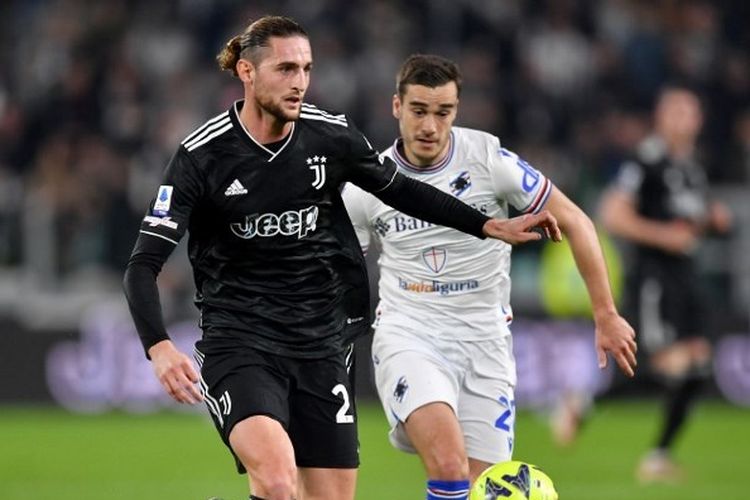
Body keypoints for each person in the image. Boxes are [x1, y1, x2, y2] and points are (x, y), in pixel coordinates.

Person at [122, 17, 563, 500]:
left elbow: (400, 190)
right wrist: (159, 346)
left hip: (322, 346)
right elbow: (143, 264)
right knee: (275, 479)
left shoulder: (330, 138)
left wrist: (486, 225)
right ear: (246, 72)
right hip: (241, 343)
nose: (300, 82)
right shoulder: (201, 156)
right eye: (286, 68)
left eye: (306, 69)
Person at [342, 54, 637, 500]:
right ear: (396, 107)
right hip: (410, 335)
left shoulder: (488, 160)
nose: (430, 126)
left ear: (456, 111)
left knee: (488, 488)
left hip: (486, 344)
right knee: (448, 465)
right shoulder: (368, 184)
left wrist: (606, 314)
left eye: (443, 113)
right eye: (419, 110)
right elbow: (334, 272)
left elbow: (577, 221)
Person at [599, 84, 732, 483]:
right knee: (666, 364)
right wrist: (664, 236)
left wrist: (713, 219)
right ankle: (583, 404)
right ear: (661, 117)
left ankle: (657, 456)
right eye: (676, 112)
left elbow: (691, 217)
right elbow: (612, 215)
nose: (684, 120)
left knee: (698, 363)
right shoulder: (646, 160)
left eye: (690, 112)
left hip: (686, 277)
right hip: (654, 277)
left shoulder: (691, 166)